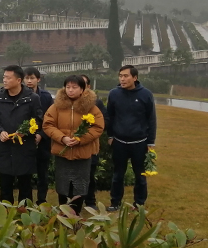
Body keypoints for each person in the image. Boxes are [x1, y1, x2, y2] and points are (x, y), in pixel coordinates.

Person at [42, 75, 105, 213]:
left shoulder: (91, 108)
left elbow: (98, 127)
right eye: (68, 87)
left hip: (82, 153)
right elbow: (48, 125)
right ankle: (63, 213)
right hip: (62, 152)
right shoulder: (56, 106)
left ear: (82, 89)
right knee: (62, 185)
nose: (70, 90)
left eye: (74, 87)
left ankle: (75, 214)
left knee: (80, 186)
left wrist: (80, 139)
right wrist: (62, 138)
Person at [0, 65, 43, 204]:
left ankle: (25, 212)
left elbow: (38, 119)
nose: (4, 80)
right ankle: (6, 213)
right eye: (4, 77)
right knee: (5, 187)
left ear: (18, 80)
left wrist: (25, 132)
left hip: (24, 148)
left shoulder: (32, 98)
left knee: (25, 187)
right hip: (4, 148)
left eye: (8, 78)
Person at [106, 65, 156, 211]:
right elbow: (110, 116)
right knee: (117, 175)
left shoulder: (146, 94)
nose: (122, 79)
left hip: (139, 143)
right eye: (120, 76)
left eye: (126, 76)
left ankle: (139, 204)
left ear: (135, 78)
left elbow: (151, 119)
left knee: (140, 176)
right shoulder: (114, 94)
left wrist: (151, 142)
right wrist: (110, 135)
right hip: (119, 142)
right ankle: (115, 203)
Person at [24, 67, 54, 203]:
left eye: (32, 78)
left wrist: (41, 134)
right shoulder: (20, 95)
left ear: (38, 79)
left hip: (43, 140)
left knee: (43, 173)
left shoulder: (46, 97)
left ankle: (41, 200)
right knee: (26, 173)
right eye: (27, 78)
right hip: (25, 139)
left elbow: (50, 119)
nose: (29, 81)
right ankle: (27, 201)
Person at [80, 74, 107, 210]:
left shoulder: (97, 103)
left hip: (91, 144)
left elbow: (105, 121)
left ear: (88, 86)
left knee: (89, 174)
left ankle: (90, 201)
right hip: (72, 145)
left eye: (83, 84)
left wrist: (88, 130)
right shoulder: (67, 102)